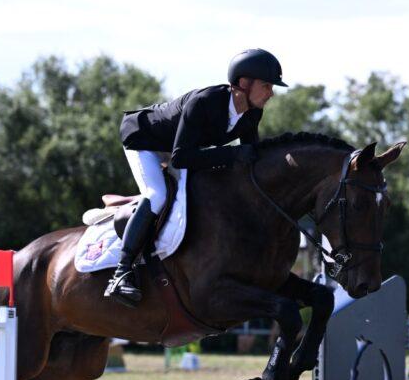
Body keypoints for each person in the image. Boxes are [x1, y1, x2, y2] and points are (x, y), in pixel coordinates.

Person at [106, 48, 287, 307]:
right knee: (157, 195)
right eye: (267, 85)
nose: (271, 93)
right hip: (145, 141)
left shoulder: (252, 112)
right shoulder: (205, 102)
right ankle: (121, 271)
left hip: (181, 148)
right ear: (243, 84)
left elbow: (249, 158)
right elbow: (181, 159)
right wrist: (233, 154)